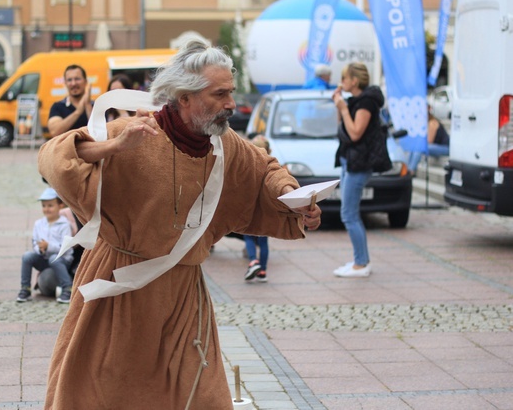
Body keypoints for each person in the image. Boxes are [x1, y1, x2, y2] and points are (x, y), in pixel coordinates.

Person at [37, 40, 322, 409]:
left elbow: (263, 168)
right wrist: (114, 146)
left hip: (183, 294)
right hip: (120, 287)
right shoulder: (137, 130)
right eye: (219, 94)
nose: (231, 104)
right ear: (184, 97)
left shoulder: (223, 144)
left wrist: (292, 197)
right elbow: (54, 157)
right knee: (108, 393)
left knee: (204, 396)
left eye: (230, 93)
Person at [332, 62, 390, 278]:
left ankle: (361, 263)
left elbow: (356, 133)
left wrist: (344, 108)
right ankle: (360, 260)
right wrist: (340, 107)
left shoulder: (366, 102)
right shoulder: (355, 100)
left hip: (360, 164)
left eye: (344, 78)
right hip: (350, 161)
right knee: (349, 213)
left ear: (354, 81)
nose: (341, 81)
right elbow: (342, 129)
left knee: (349, 214)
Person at [16, 188, 74, 304]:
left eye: (50, 205)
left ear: (60, 205)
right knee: (27, 256)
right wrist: (41, 249)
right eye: (44, 206)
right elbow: (35, 242)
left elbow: (65, 247)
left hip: (62, 260)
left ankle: (67, 288)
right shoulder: (38, 224)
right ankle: (25, 288)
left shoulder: (65, 224)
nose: (46, 209)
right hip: (45, 258)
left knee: (54, 258)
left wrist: (48, 246)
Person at [243, 135, 272, 283]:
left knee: (248, 236)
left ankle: (253, 261)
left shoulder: (249, 165)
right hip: (266, 210)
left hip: (251, 208)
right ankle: (263, 270)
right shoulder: (272, 166)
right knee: (263, 241)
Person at [47, 64, 92, 137]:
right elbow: (54, 132)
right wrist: (78, 112)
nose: (73, 83)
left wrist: (87, 105)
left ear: (85, 81)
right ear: (65, 83)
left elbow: (100, 132)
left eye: (77, 79)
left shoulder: (96, 106)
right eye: (69, 80)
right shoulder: (57, 107)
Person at [407, 109, 450, 175]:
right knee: (414, 147)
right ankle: (408, 168)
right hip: (436, 146)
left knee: (419, 147)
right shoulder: (427, 124)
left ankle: (411, 170)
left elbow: (429, 141)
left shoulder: (432, 123)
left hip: (445, 148)